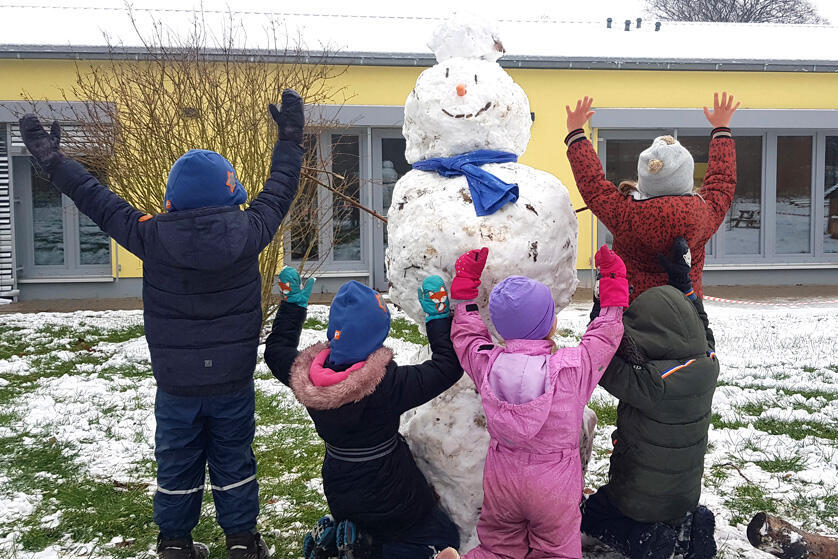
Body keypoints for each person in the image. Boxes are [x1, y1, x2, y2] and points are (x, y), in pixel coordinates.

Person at [18, 89, 306, 559]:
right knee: (233, 456)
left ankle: (175, 543)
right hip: (232, 379)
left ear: (174, 197)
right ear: (228, 189)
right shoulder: (250, 230)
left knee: (177, 461)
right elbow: (282, 184)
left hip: (176, 384)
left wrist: (54, 162)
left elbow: (97, 199)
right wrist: (290, 138)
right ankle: (242, 541)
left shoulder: (151, 235)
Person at [437, 245, 628, 559]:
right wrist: (613, 281)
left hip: (503, 480)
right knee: (556, 550)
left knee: (498, 547)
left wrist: (466, 288)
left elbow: (467, 336)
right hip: (554, 486)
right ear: (550, 324)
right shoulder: (571, 369)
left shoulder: (488, 364)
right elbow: (605, 336)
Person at [263, 271, 462, 559]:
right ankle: (366, 551)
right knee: (441, 534)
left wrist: (292, 306)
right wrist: (438, 318)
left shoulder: (305, 375)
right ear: (378, 334)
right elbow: (447, 367)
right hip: (392, 490)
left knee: (366, 524)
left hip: (339, 484)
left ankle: (342, 542)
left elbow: (275, 351)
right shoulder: (387, 385)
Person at [580, 237, 720, 559]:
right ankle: (692, 525)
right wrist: (683, 282)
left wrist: (601, 308)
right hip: (684, 495)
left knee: (595, 513)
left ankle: (642, 539)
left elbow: (601, 358)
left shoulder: (650, 383)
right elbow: (702, 326)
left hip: (635, 496)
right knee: (675, 510)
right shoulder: (709, 364)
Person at [564, 92, 739, 301]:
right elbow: (722, 181)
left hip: (635, 317)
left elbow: (593, 185)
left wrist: (576, 135)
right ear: (687, 178)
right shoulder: (703, 215)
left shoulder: (624, 213)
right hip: (686, 319)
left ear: (644, 176)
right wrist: (721, 131)